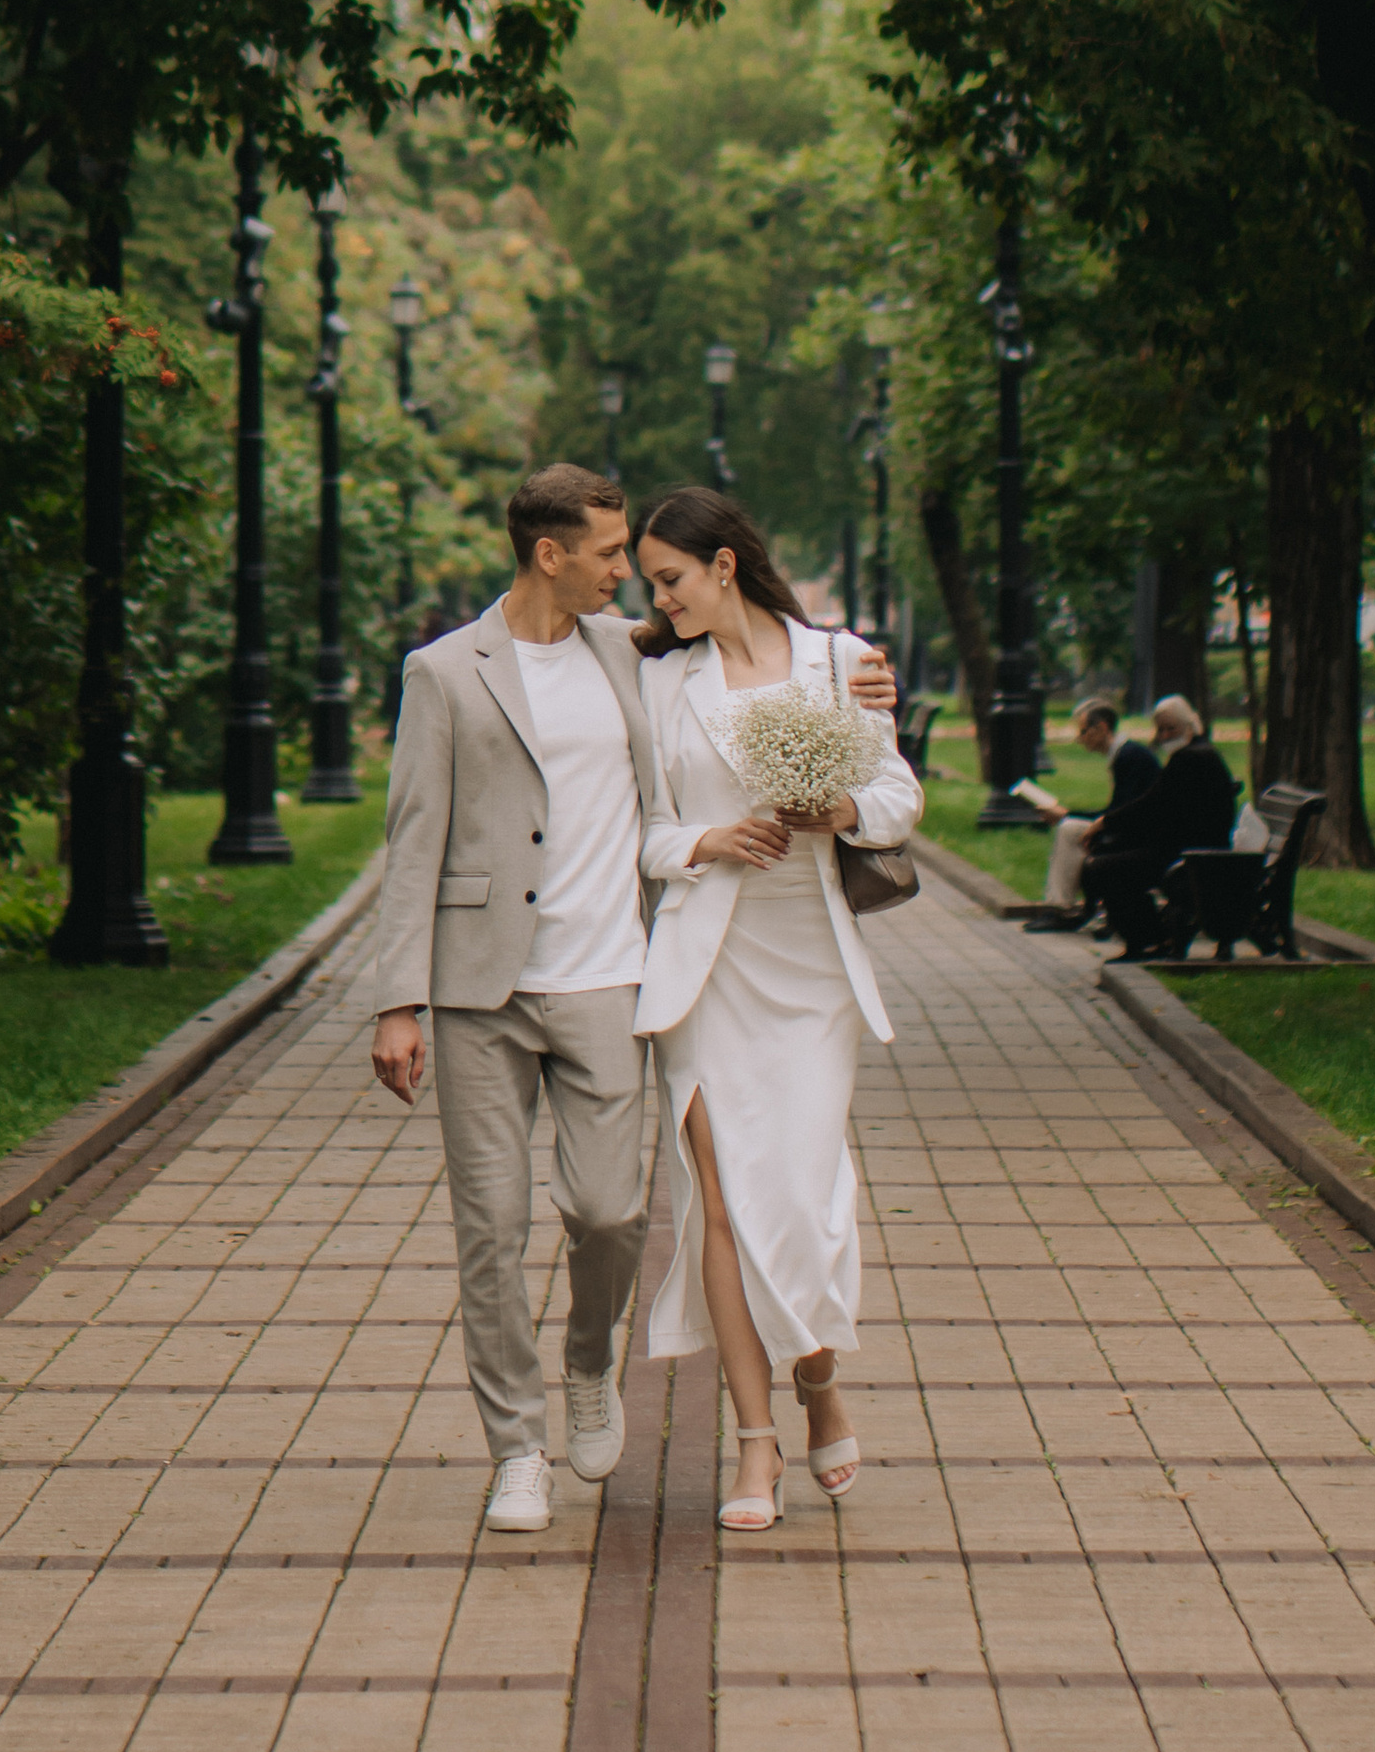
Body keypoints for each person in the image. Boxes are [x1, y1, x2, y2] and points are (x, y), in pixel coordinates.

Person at [370, 463, 900, 1539]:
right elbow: (411, 837)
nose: (636, 582)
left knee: (617, 1214)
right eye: (615, 559)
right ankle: (523, 1451)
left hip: (620, 976)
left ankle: (601, 1362)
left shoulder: (639, 654)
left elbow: (784, 674)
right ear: (548, 554)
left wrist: (857, 705)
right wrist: (398, 1001)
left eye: (648, 565)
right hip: (503, 982)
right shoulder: (452, 672)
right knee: (496, 1228)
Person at [629, 487, 924, 1537]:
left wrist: (835, 809)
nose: (656, 600)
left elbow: (896, 797)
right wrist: (706, 844)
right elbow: (648, 831)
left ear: (722, 564)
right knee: (719, 1201)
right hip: (708, 961)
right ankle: (754, 1444)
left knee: (800, 1198)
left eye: (668, 579)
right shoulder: (663, 685)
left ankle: (817, 1383)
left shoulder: (841, 661)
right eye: (647, 584)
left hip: (810, 967)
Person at [1080, 693, 1241, 954]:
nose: (1164, 736)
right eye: (1160, 729)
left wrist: (1105, 823)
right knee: (1110, 858)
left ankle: (1147, 941)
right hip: (1193, 847)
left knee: (1101, 869)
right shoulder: (1197, 752)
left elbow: (1151, 804)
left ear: (1189, 725)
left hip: (1194, 856)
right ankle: (1152, 937)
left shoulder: (1190, 758)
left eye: (1171, 728)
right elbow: (1161, 805)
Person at [1018, 701, 1162, 933]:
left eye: (1083, 731)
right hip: (1136, 827)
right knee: (1070, 826)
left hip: (1141, 833)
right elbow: (1119, 809)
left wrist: (1068, 814)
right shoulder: (1126, 754)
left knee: (1069, 828)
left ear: (1102, 728)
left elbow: (1120, 811)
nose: (1080, 738)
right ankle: (1065, 907)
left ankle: (1060, 907)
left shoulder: (1129, 756)